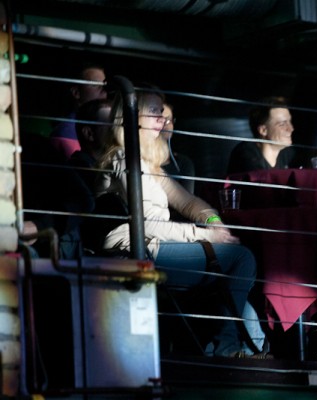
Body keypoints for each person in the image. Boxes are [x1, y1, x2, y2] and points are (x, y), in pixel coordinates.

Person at [95, 87, 262, 358]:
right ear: (132, 115)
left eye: (161, 112)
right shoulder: (122, 158)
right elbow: (144, 224)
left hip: (155, 246)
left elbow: (187, 201)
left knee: (237, 263)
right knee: (240, 259)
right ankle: (227, 349)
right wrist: (204, 235)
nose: (162, 118)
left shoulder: (148, 164)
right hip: (133, 249)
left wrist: (213, 221)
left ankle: (233, 346)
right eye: (154, 111)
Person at [49, 63, 108, 160]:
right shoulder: (66, 135)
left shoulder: (103, 124)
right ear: (76, 92)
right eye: (95, 85)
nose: (104, 90)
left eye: (104, 85)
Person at [226, 96, 295, 174]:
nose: (291, 129)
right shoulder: (246, 154)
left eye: (289, 122)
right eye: (282, 124)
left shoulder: (287, 154)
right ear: (263, 130)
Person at [161, 102, 196, 194]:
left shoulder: (183, 163)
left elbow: (187, 199)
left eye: (169, 120)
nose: (165, 125)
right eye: (160, 120)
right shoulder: (141, 162)